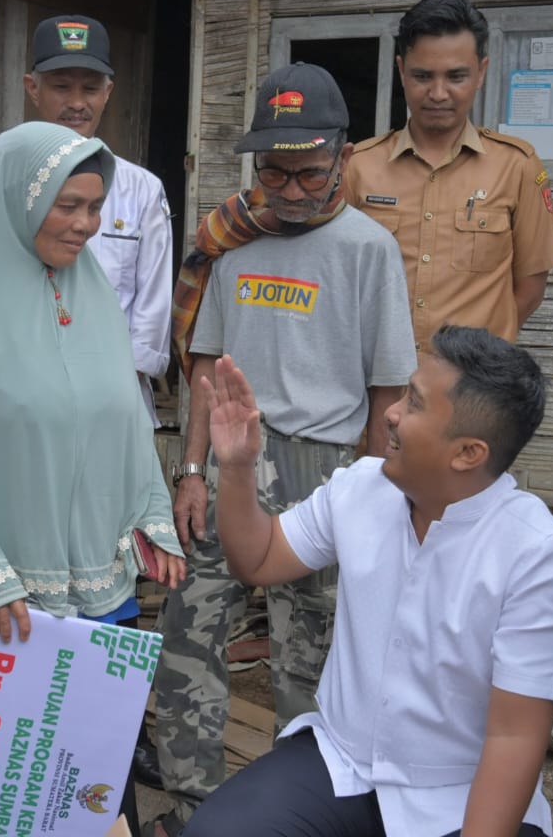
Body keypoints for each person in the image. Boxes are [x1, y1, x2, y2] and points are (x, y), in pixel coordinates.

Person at [0, 120, 188, 834]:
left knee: (81, 780)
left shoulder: (92, 298)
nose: (86, 225)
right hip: (4, 605)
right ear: (20, 200)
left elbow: (122, 417)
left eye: (94, 208)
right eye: (67, 205)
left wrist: (150, 517)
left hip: (94, 582)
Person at [183, 326, 553, 837]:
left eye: (414, 404)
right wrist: (238, 467)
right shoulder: (361, 487)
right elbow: (259, 559)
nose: (392, 414)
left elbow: (515, 739)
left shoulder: (538, 557)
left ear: (468, 453)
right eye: (403, 394)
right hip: (341, 763)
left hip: (458, 791)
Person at [150, 62, 417, 836]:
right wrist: (192, 471)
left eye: (307, 172)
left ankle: (309, 814)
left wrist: (376, 490)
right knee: (190, 633)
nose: (291, 190)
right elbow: (205, 366)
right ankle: (190, 805)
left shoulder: (368, 250)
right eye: (273, 172)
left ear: (342, 153)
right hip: (235, 458)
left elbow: (388, 392)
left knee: (311, 655)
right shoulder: (231, 242)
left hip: (327, 467)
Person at [0, 14, 172, 424]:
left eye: (91, 88)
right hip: (17, 404)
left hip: (114, 405)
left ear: (109, 92)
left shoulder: (142, 190)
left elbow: (151, 319)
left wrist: (102, 396)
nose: (77, 102)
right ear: (32, 88)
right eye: (61, 86)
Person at [345, 0, 553, 351]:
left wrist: (476, 358)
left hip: (471, 388)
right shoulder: (358, 166)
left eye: (456, 76)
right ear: (401, 71)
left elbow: (529, 288)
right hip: (378, 380)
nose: (438, 93)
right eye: (422, 76)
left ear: (481, 72)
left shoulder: (516, 165)